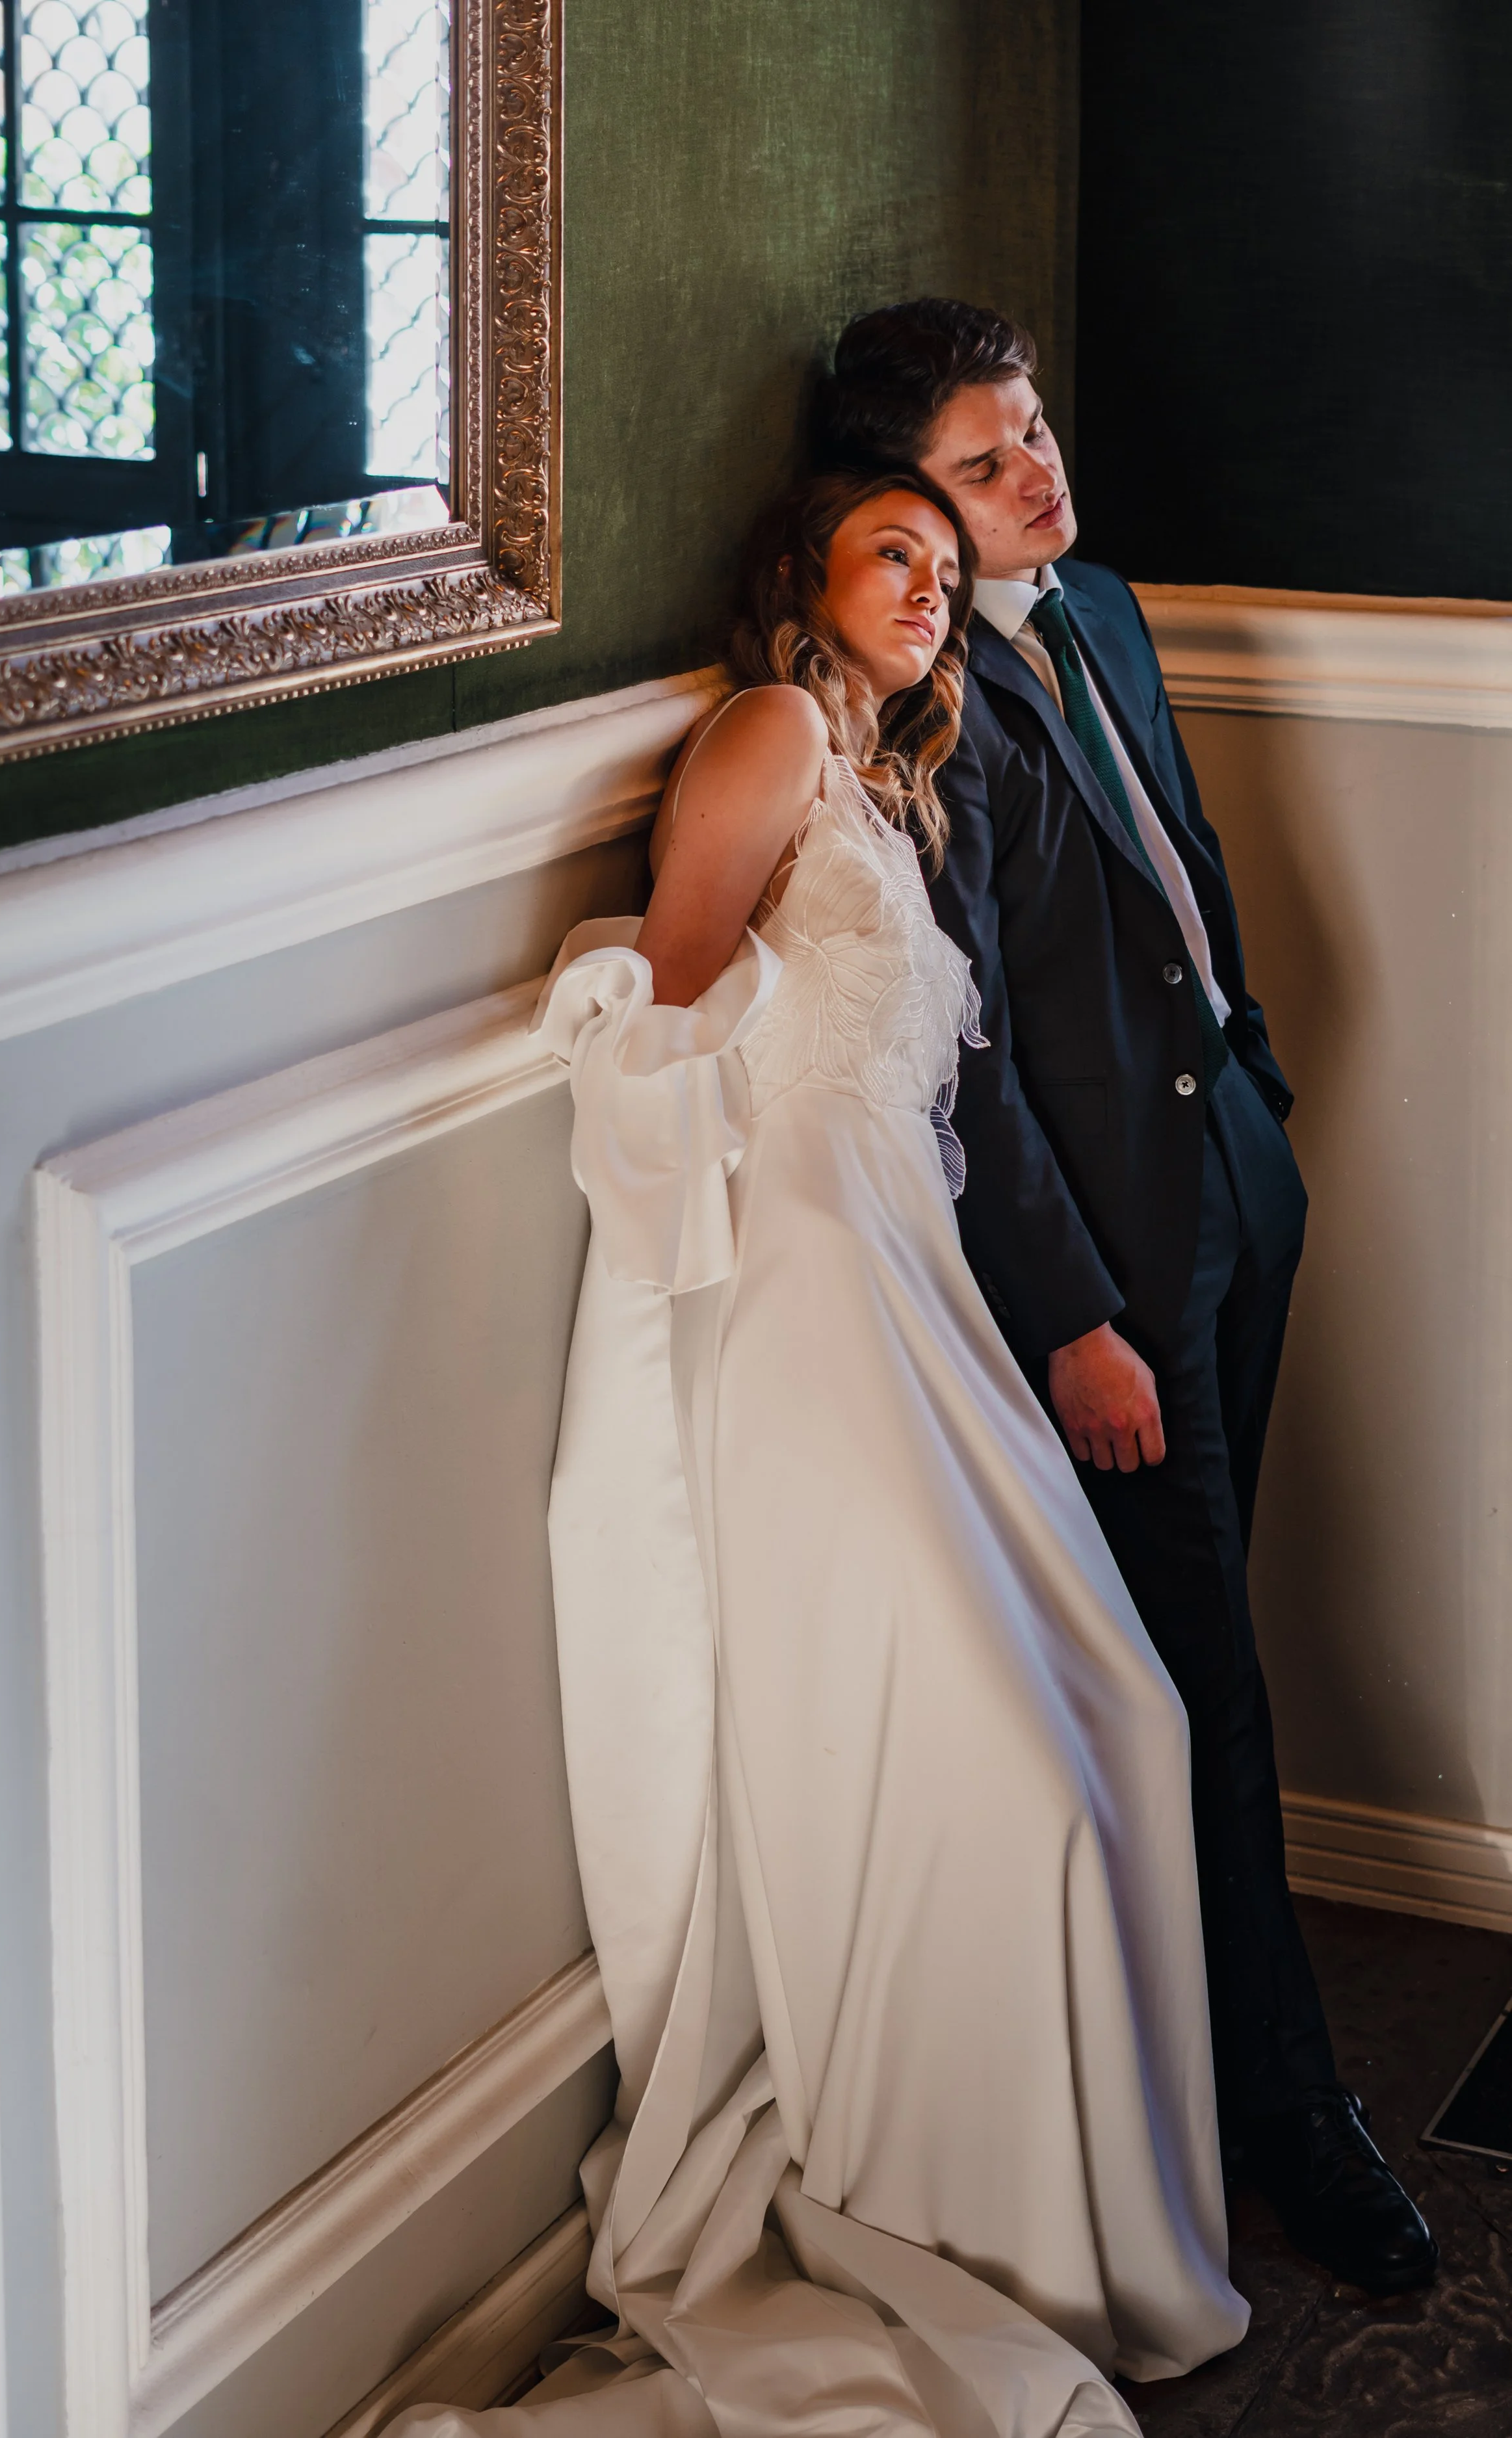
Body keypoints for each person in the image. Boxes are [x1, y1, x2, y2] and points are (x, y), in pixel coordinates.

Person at [385, 467, 1245, 2438]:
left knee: (1112, 1719)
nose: (933, 590)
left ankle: (1054, 2231)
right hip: (794, 1305)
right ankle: (962, 2214)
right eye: (897, 557)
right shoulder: (768, 728)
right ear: (804, 578)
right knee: (1013, 1764)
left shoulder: (883, 776)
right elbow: (671, 992)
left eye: (946, 571)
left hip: (900, 1294)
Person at [808, 298, 1437, 2298]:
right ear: (902, 498)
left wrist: (1256, 1101)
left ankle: (1183, 2052)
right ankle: (1284, 2111)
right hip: (1107, 1264)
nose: (1038, 479)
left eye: (1036, 435)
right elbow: (969, 1043)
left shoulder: (1101, 614)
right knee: (1204, 1688)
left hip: (1233, 1177)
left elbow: (1181, 892)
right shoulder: (924, 702)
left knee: (1208, 1640)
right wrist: (1075, 1311)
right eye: (986, 466)